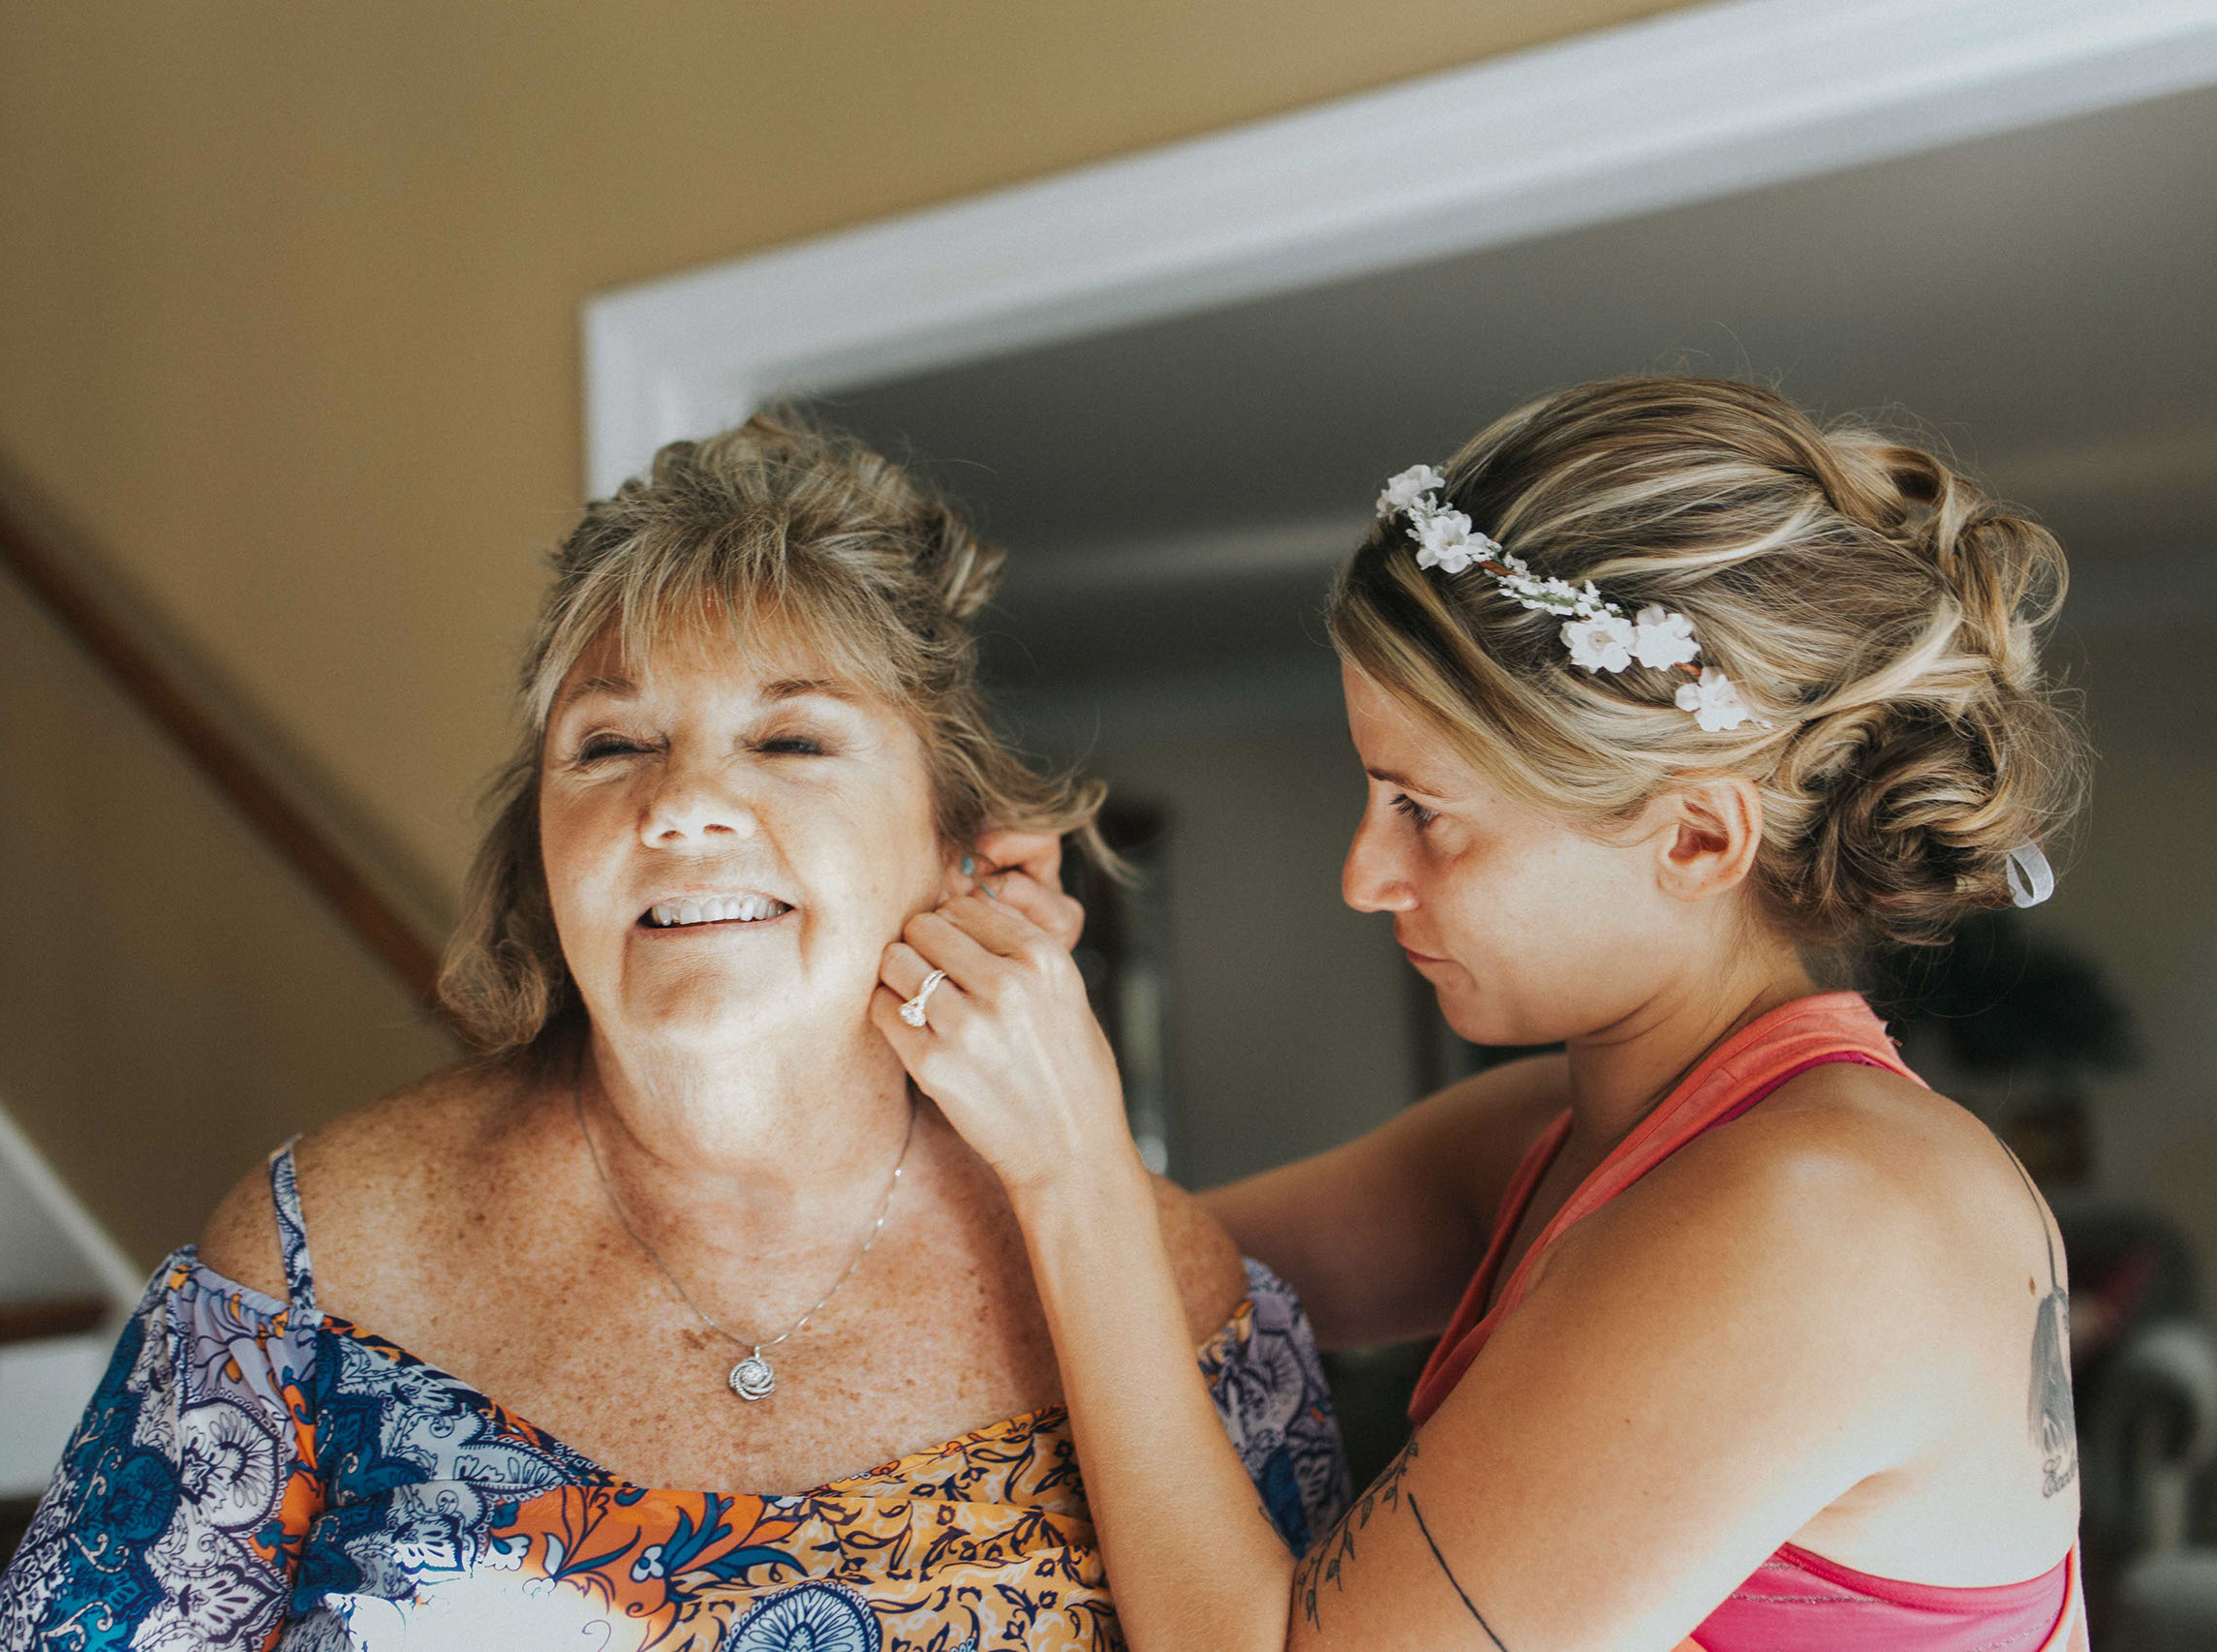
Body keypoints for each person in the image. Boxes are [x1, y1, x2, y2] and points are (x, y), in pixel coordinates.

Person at [0, 416, 1346, 1652]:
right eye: (612, 745)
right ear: (539, 851)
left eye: (791, 741)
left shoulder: (1181, 1300)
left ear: (969, 855)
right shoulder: (317, 1262)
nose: (680, 806)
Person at [880, 378, 2091, 1650]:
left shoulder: (1819, 1216)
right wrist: (969, 974)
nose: (1364, 876)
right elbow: (1159, 1288)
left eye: (1426, 811)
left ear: (1695, 835)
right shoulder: (1549, 1135)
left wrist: (1074, 1160)